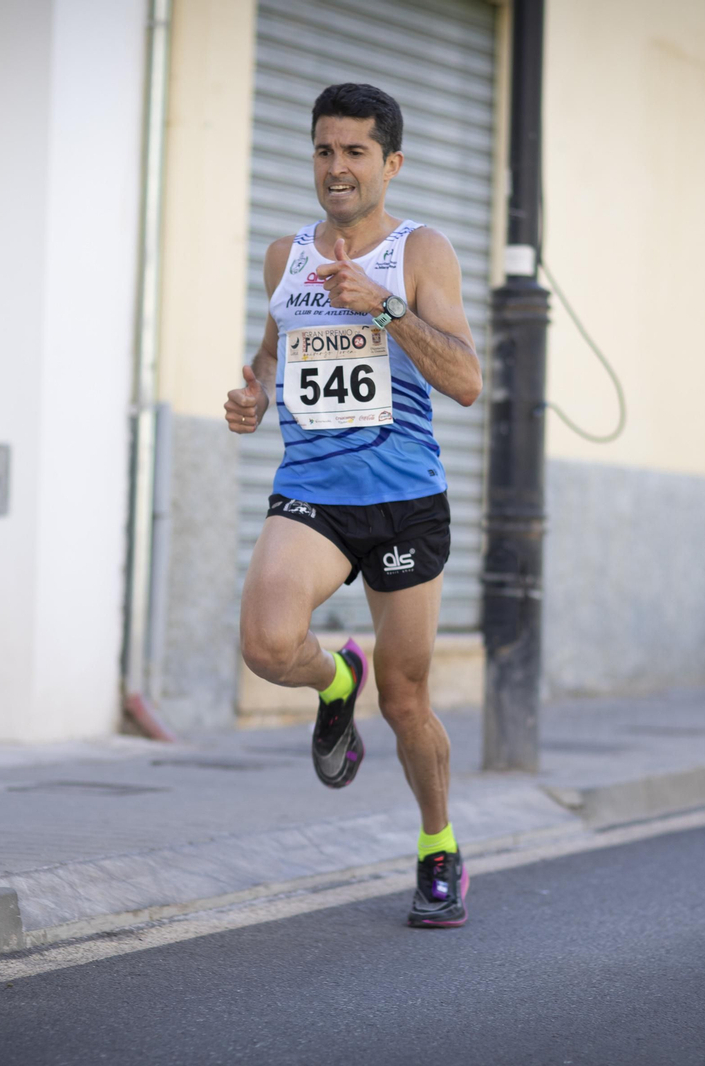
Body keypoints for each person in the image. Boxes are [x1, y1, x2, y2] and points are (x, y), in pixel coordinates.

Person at [224, 83, 482, 927]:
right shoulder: (284, 256)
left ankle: (437, 848)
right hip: (313, 494)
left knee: (406, 700)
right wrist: (255, 395)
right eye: (324, 151)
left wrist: (389, 306)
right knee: (267, 646)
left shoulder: (421, 251)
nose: (337, 168)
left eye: (355, 152)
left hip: (405, 501)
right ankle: (336, 677)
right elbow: (271, 351)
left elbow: (467, 382)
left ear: (390, 164)